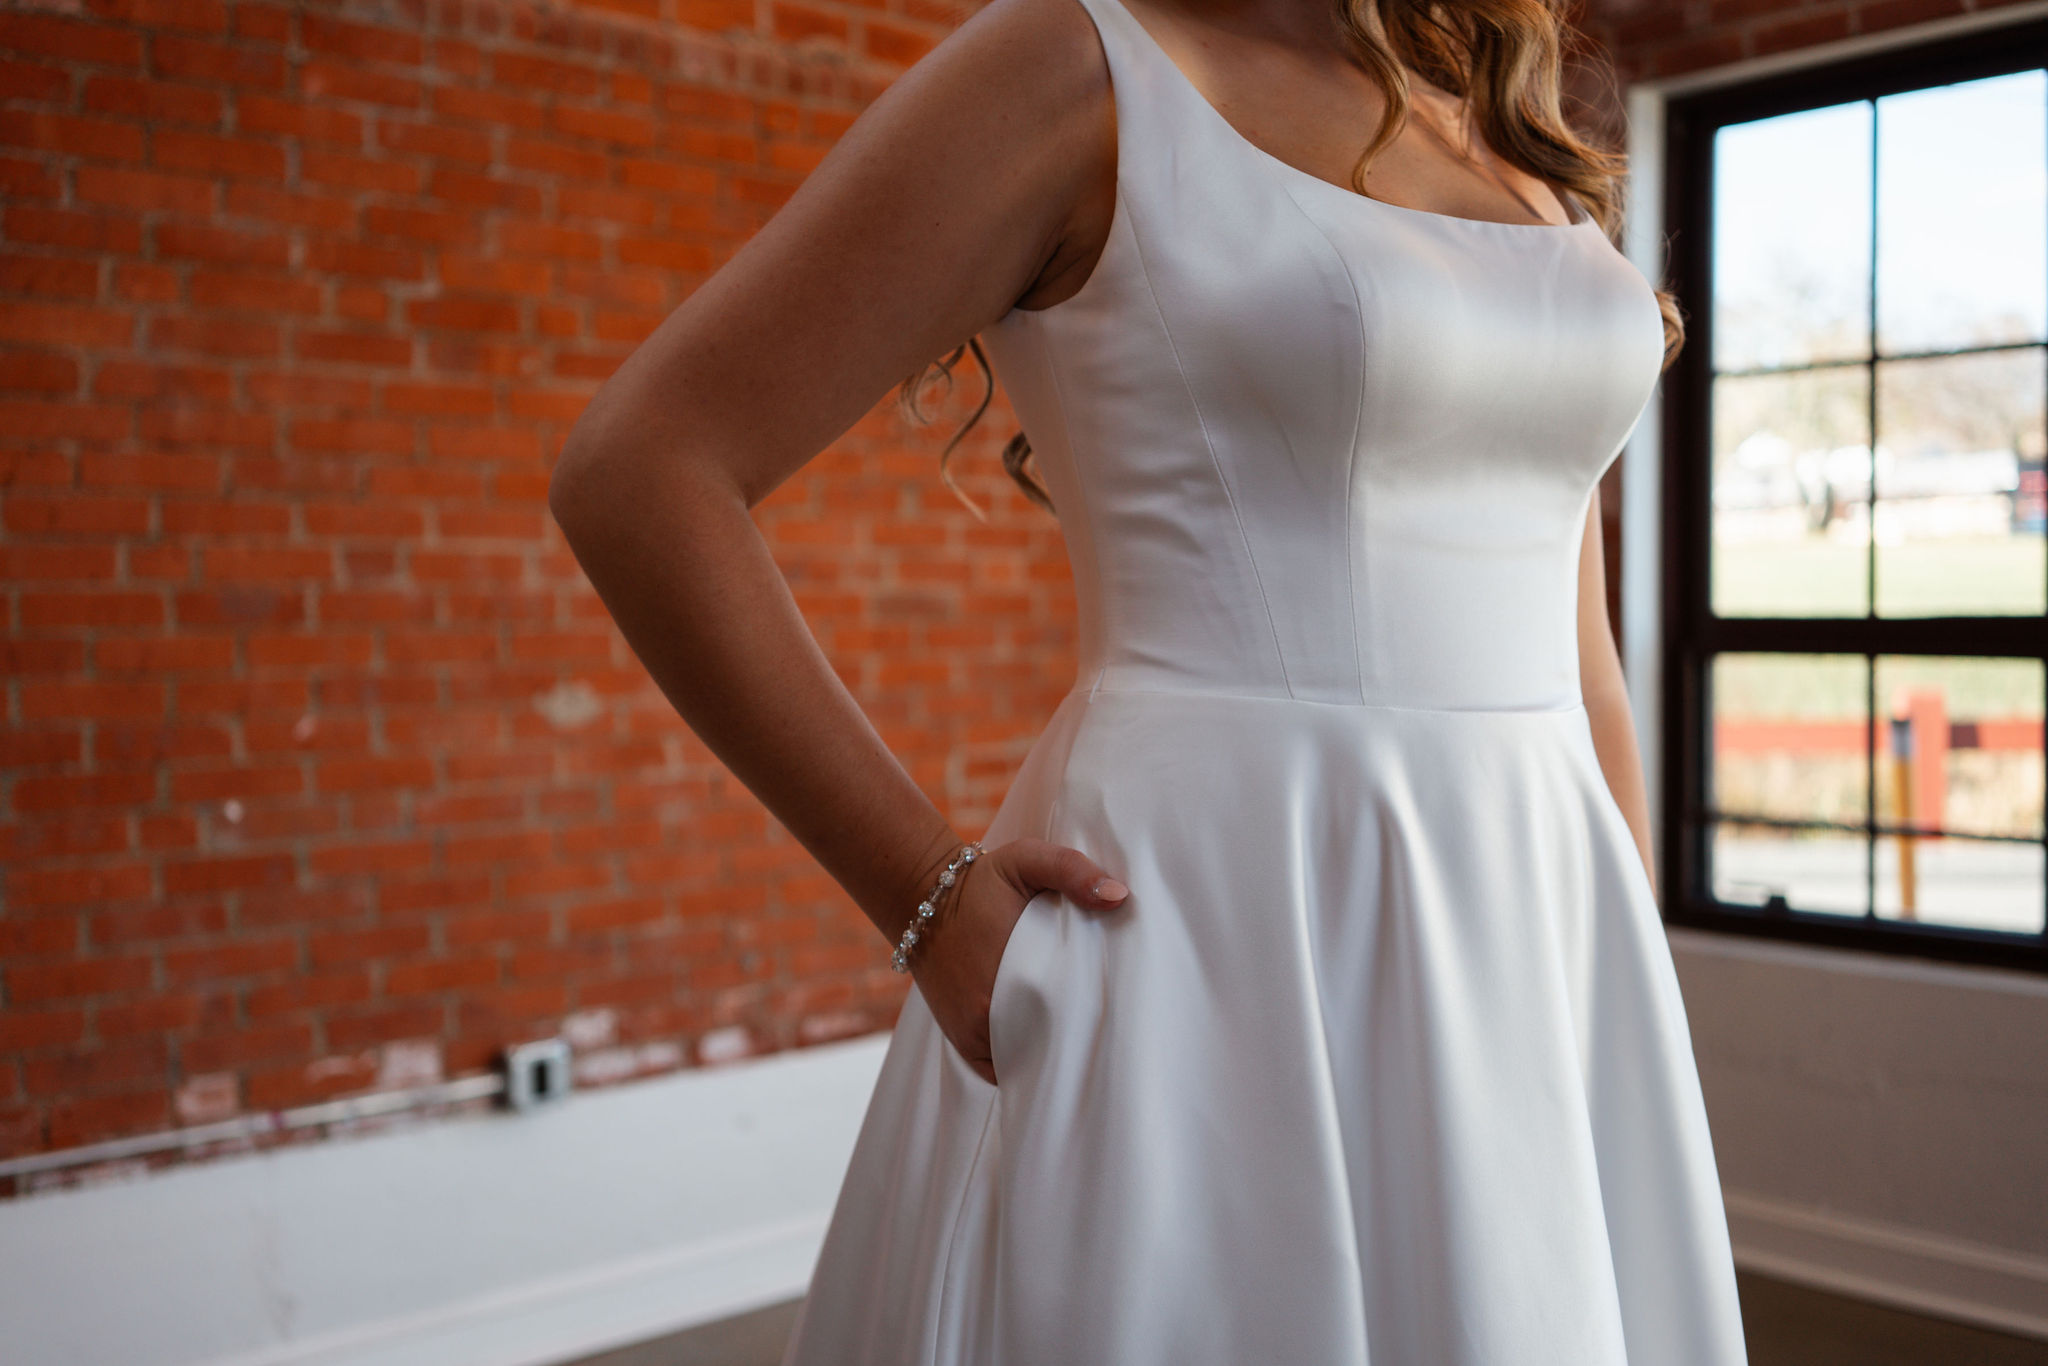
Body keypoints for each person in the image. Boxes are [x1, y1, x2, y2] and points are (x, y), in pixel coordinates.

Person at [546, 0, 1752, 1359]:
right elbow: (644, 469)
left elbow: (1574, 639)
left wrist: (1622, 964)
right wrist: (929, 903)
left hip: (1540, 933)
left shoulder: (1493, 108)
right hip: (1216, 927)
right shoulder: (1075, 65)